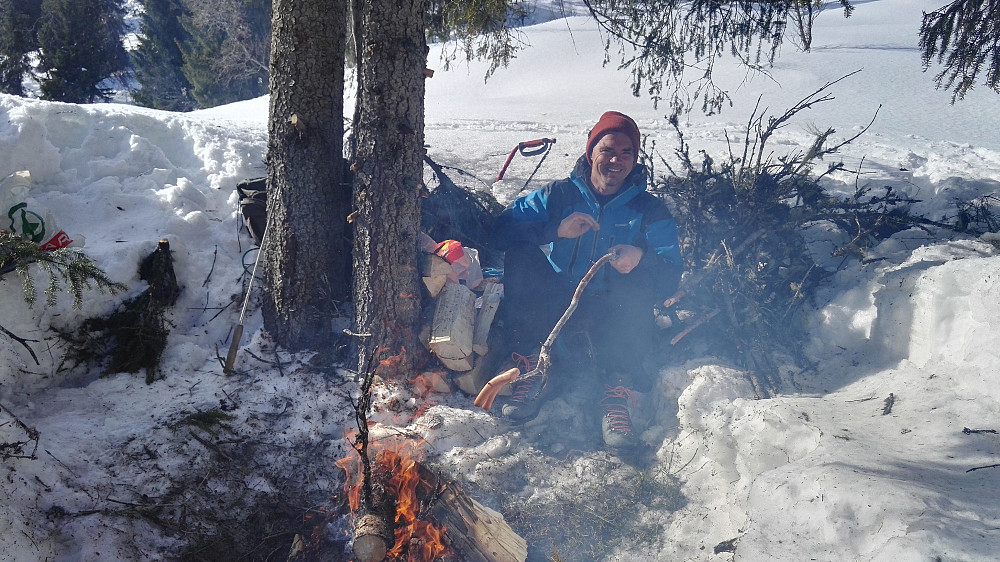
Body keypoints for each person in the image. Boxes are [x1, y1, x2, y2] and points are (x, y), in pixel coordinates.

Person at [485, 111, 683, 449]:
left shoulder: (649, 209)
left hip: (611, 309)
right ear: (590, 151)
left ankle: (616, 391)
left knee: (637, 278)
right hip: (556, 302)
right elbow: (499, 231)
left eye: (626, 153)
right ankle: (534, 367)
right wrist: (554, 230)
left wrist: (641, 258)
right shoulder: (559, 195)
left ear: (634, 160)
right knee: (521, 255)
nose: (615, 160)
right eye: (607, 150)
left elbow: (670, 274)